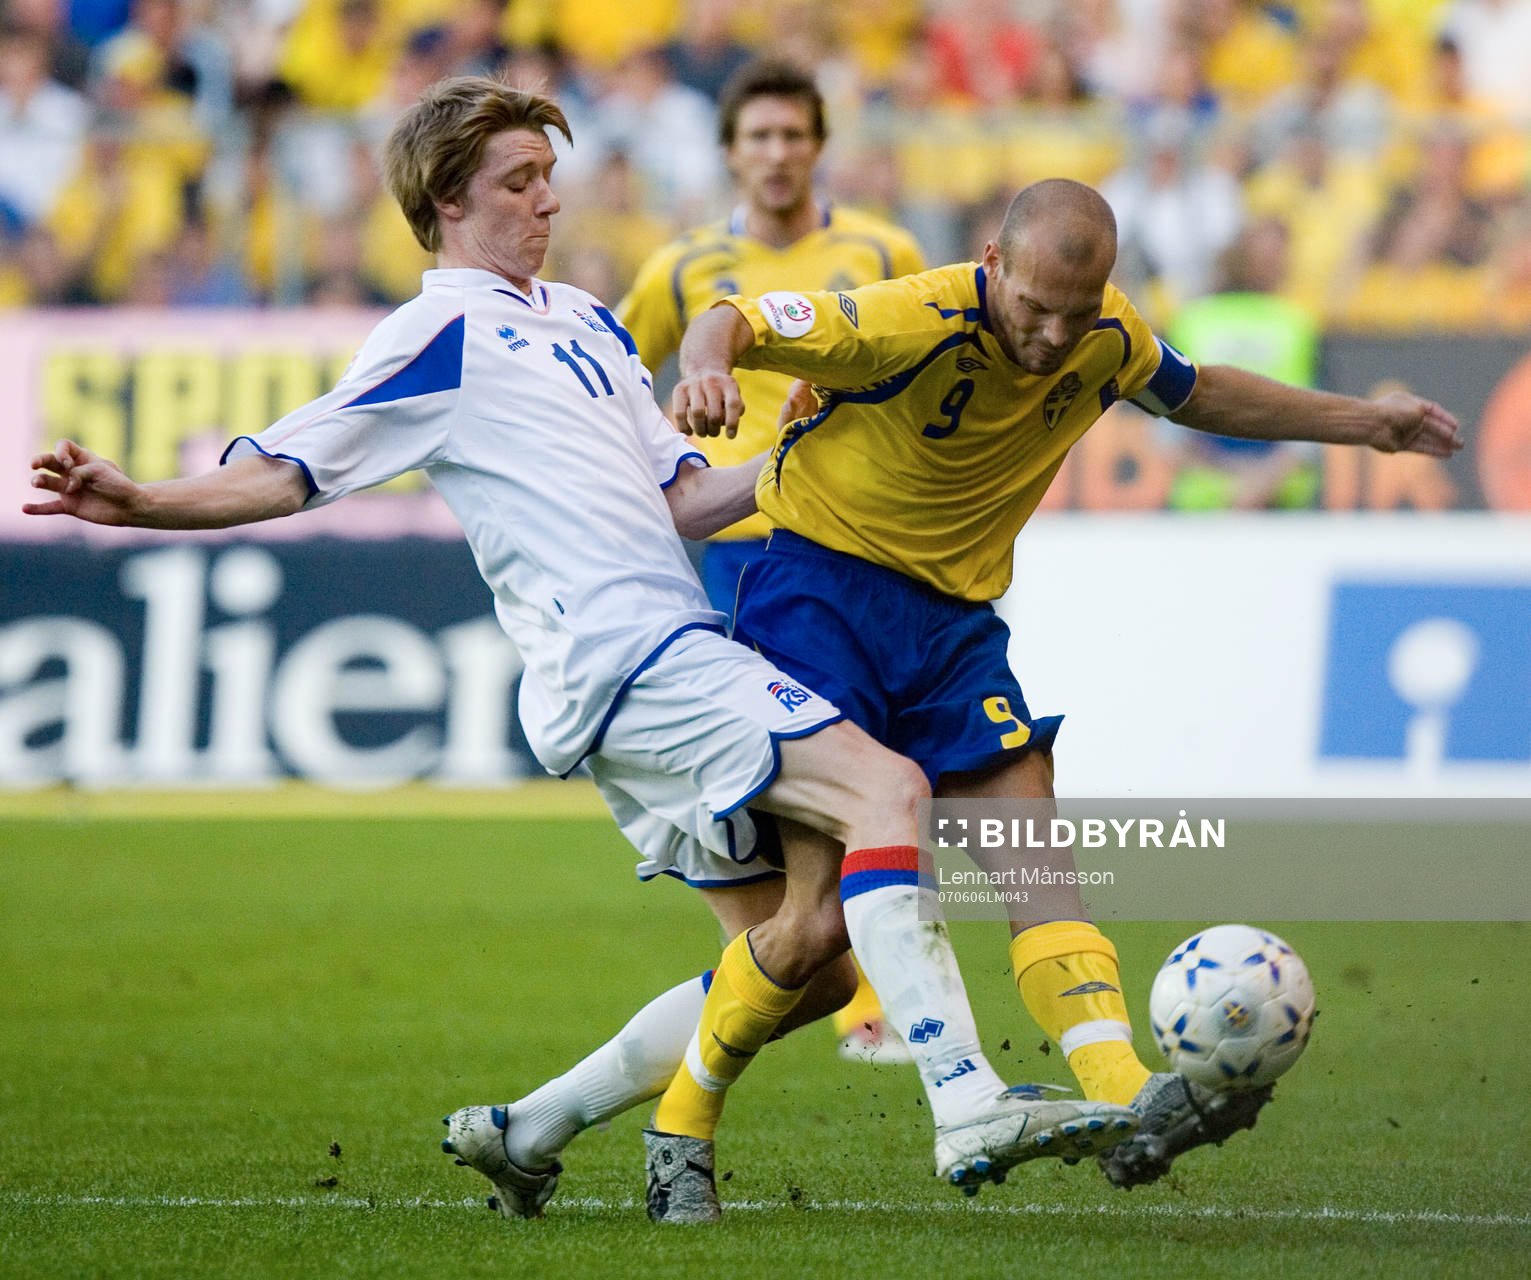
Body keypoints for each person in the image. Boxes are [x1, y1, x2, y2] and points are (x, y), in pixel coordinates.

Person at [22, 79, 1134, 1224]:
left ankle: (528, 1128)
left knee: (808, 955)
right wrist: (142, 500)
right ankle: (968, 1100)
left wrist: (808, 451)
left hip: (671, 643)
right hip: (624, 658)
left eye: (548, 177)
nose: (548, 201)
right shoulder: (439, 334)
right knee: (887, 788)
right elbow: (287, 470)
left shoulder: (590, 323)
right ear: (448, 202)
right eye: (519, 182)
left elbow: (685, 502)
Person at [507, 177, 1462, 1202]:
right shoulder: (910, 317)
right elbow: (732, 319)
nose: (1053, 337)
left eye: (1075, 313)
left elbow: (1198, 392)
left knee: (1036, 859)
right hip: (820, 601)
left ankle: (1124, 1091)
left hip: (952, 627)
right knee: (816, 925)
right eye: (1035, 307)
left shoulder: (1109, 337)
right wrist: (705, 370)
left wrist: (1366, 423)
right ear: (993, 264)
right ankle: (683, 1123)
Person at [617, 56, 926, 1063]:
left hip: (854, 537)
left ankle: (837, 984)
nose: (777, 152)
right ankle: (841, 988)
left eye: (793, 134)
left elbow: (924, 370)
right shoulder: (681, 268)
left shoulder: (882, 249)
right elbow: (610, 376)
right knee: (802, 778)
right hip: (740, 547)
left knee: (871, 767)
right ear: (730, 152)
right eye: (759, 136)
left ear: (819, 146)